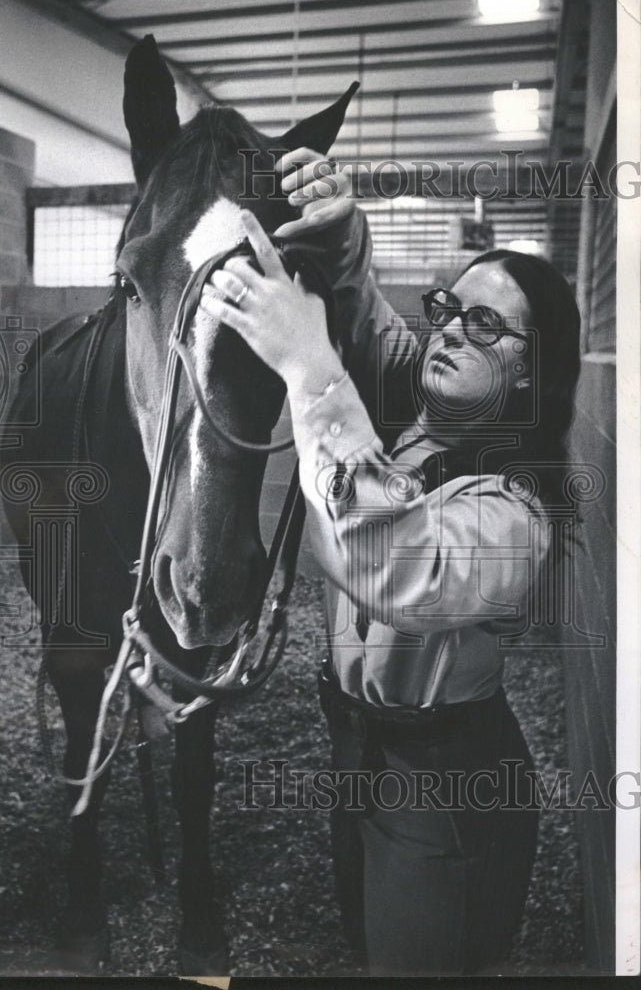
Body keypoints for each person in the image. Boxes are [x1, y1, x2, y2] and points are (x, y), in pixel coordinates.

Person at [199, 152, 581, 976]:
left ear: (527, 373)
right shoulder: (419, 413)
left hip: (443, 780)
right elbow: (368, 318)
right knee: (370, 932)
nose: (447, 329)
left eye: (483, 326)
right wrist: (340, 228)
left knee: (419, 958)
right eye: (448, 310)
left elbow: (400, 567)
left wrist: (309, 367)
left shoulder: (517, 509)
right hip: (360, 749)